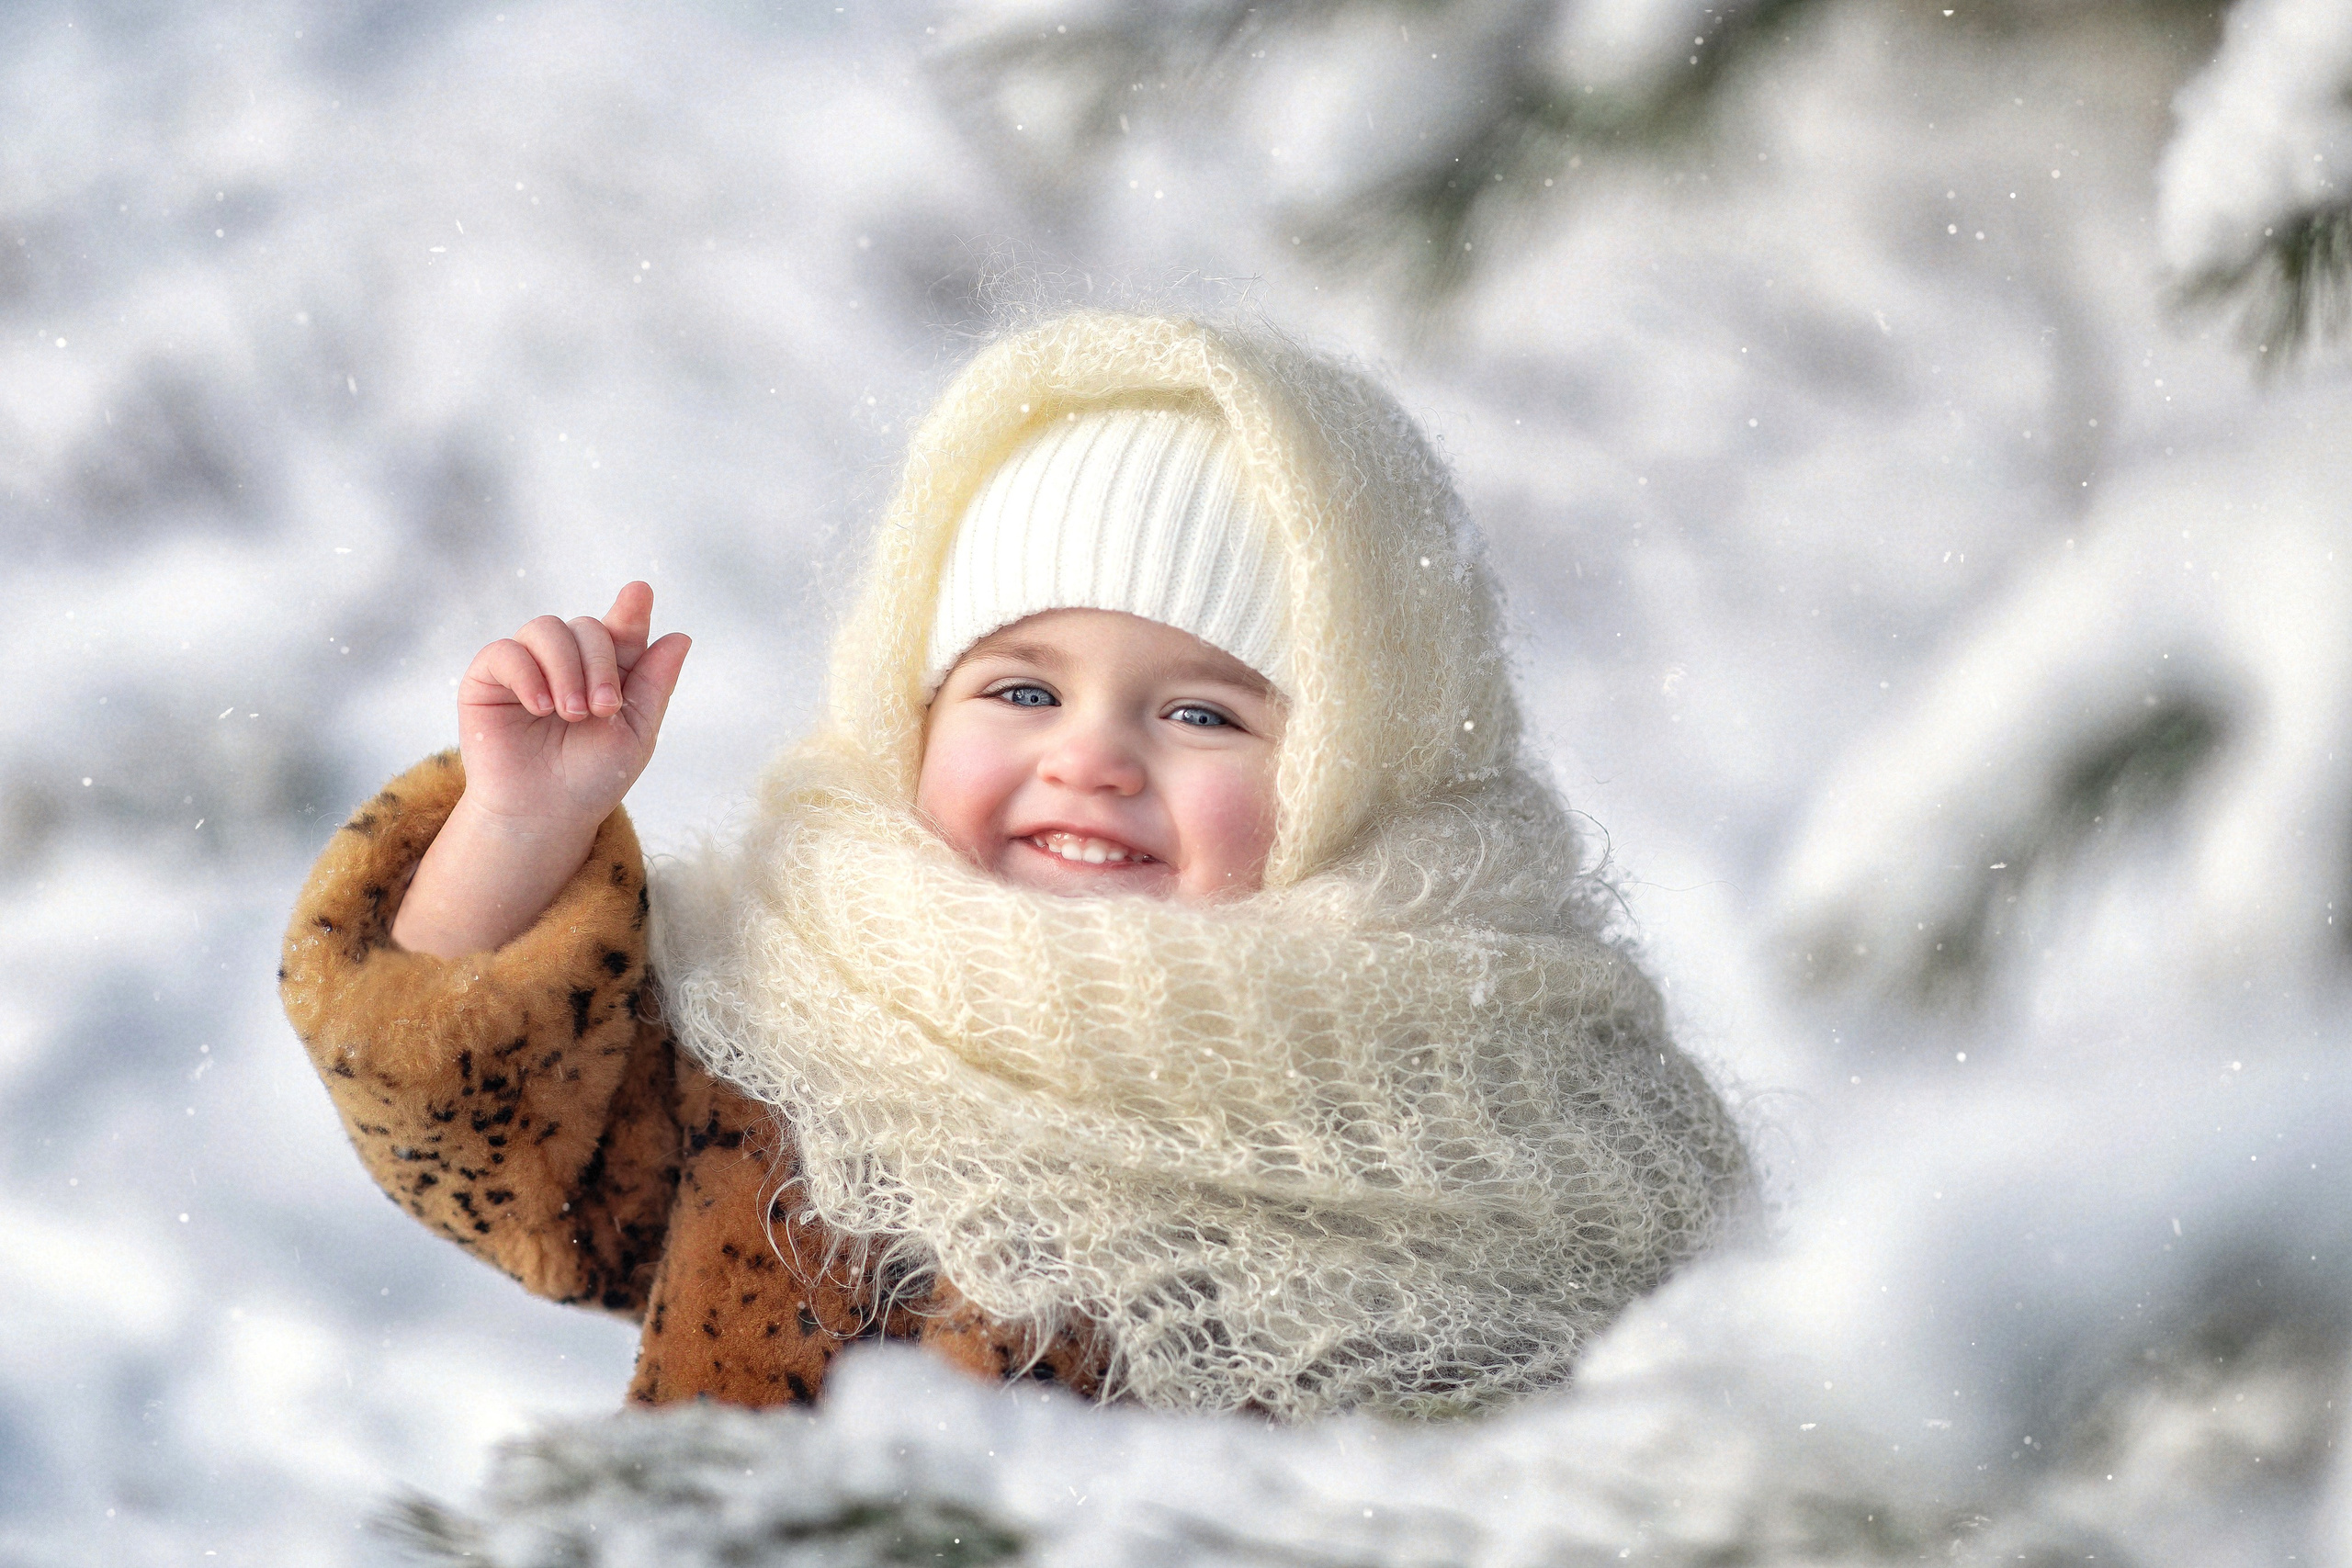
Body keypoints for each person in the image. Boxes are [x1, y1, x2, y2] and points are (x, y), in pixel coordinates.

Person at [280, 310, 1751, 1420]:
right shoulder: (794, 1039)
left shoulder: (1509, 1130)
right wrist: (521, 824)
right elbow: (494, 1135)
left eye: (1200, 713)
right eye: (1023, 691)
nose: (1091, 759)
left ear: (1369, 761)